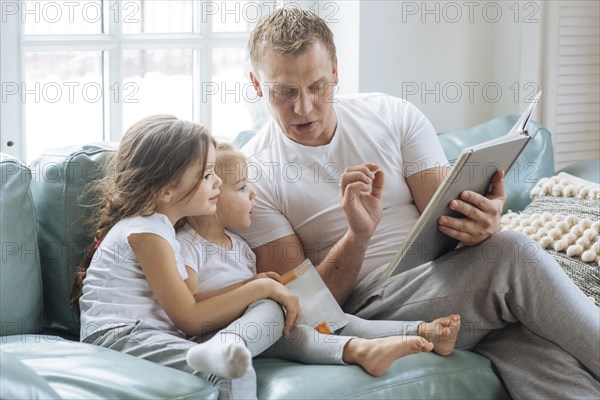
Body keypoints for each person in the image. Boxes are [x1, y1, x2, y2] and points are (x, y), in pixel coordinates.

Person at [233, 7, 600, 399]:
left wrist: (482, 224)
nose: (303, 107)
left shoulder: (390, 116)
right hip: (368, 307)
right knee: (512, 253)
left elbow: (450, 220)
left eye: (318, 87)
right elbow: (305, 312)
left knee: (542, 350)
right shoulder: (251, 177)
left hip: (450, 280)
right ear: (257, 84)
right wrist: (357, 236)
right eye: (284, 92)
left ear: (336, 72)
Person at [176, 142, 461, 383]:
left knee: (336, 320)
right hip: (214, 335)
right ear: (209, 193)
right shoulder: (188, 246)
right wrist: (255, 289)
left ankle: (423, 332)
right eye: (240, 188)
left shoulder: (241, 247)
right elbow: (191, 305)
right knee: (286, 323)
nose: (253, 194)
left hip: (263, 329)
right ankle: (359, 351)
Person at [71, 115, 302, 400]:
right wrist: (260, 288)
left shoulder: (159, 229)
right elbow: (190, 318)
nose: (217, 181)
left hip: (142, 334)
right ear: (167, 190)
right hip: (119, 337)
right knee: (233, 370)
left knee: (262, 310)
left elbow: (189, 301)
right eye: (206, 175)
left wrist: (250, 286)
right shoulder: (146, 231)